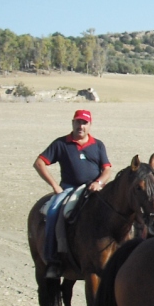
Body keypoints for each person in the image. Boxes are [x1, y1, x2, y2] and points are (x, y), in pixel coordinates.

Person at [33, 109, 112, 279]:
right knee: (53, 211)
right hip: (69, 189)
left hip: (94, 189)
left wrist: (98, 183)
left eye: (84, 123)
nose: (81, 126)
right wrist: (55, 186)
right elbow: (39, 163)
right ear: (72, 123)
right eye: (78, 122)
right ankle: (53, 259)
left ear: (90, 125)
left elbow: (107, 169)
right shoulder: (61, 143)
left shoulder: (98, 145)